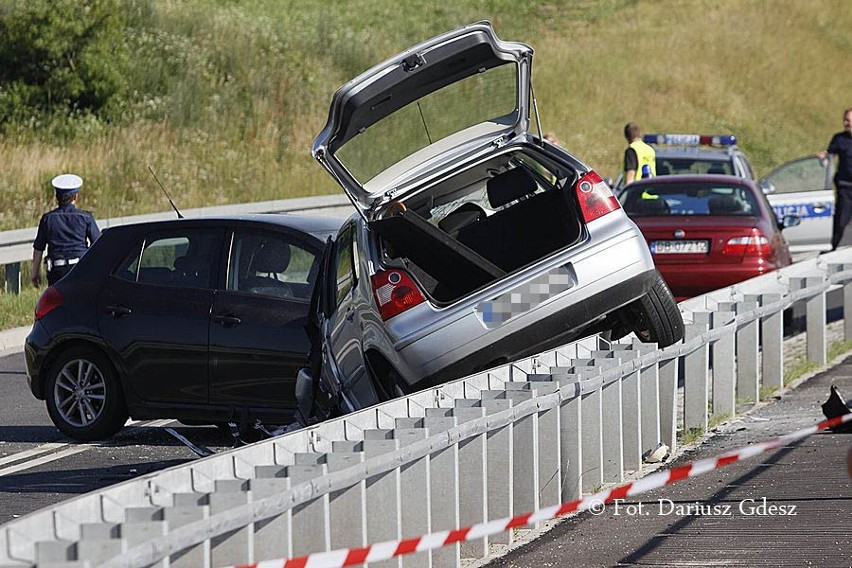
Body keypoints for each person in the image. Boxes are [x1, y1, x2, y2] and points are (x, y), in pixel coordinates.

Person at [31, 174, 101, 287]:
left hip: (56, 271)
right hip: (80, 268)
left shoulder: (47, 219)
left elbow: (38, 248)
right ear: (75, 197)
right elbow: (98, 245)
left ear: (56, 197)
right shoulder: (86, 218)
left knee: (59, 303)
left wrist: (35, 274)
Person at [818, 108, 852, 251]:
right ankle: (834, 249)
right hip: (845, 187)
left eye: (849, 121)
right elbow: (829, 158)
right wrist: (823, 158)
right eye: (845, 120)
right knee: (841, 222)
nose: (846, 123)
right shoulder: (839, 139)